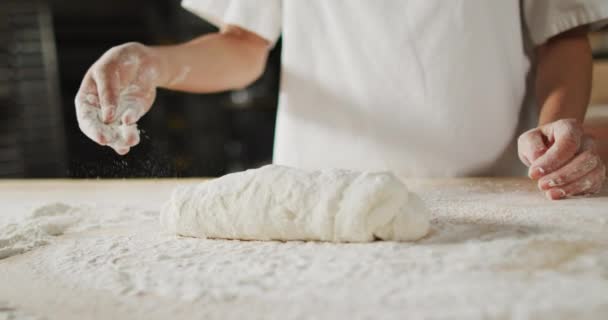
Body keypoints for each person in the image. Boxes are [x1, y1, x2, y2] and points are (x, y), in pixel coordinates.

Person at [75, 0, 608, 200]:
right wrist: (154, 63)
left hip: (495, 190)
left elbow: (560, 33)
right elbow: (244, 45)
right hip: (319, 198)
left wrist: (558, 125)